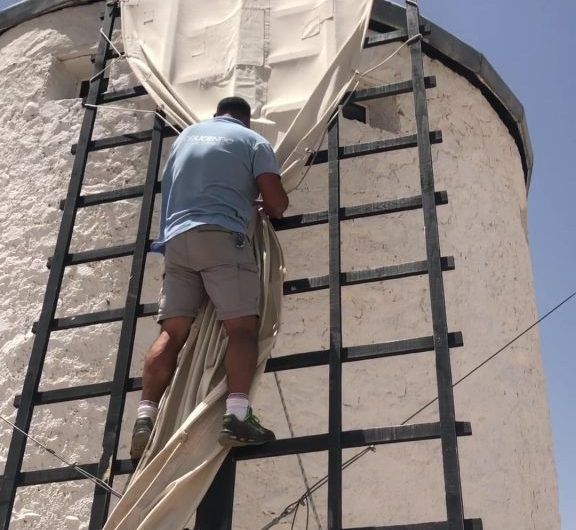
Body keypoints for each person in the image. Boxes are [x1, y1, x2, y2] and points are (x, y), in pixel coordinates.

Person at [130, 97, 289, 460]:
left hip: (177, 242)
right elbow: (277, 204)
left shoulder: (185, 137)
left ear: (217, 114)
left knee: (171, 332)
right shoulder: (252, 142)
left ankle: (145, 418)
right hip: (221, 237)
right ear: (245, 120)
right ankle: (236, 416)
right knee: (242, 328)